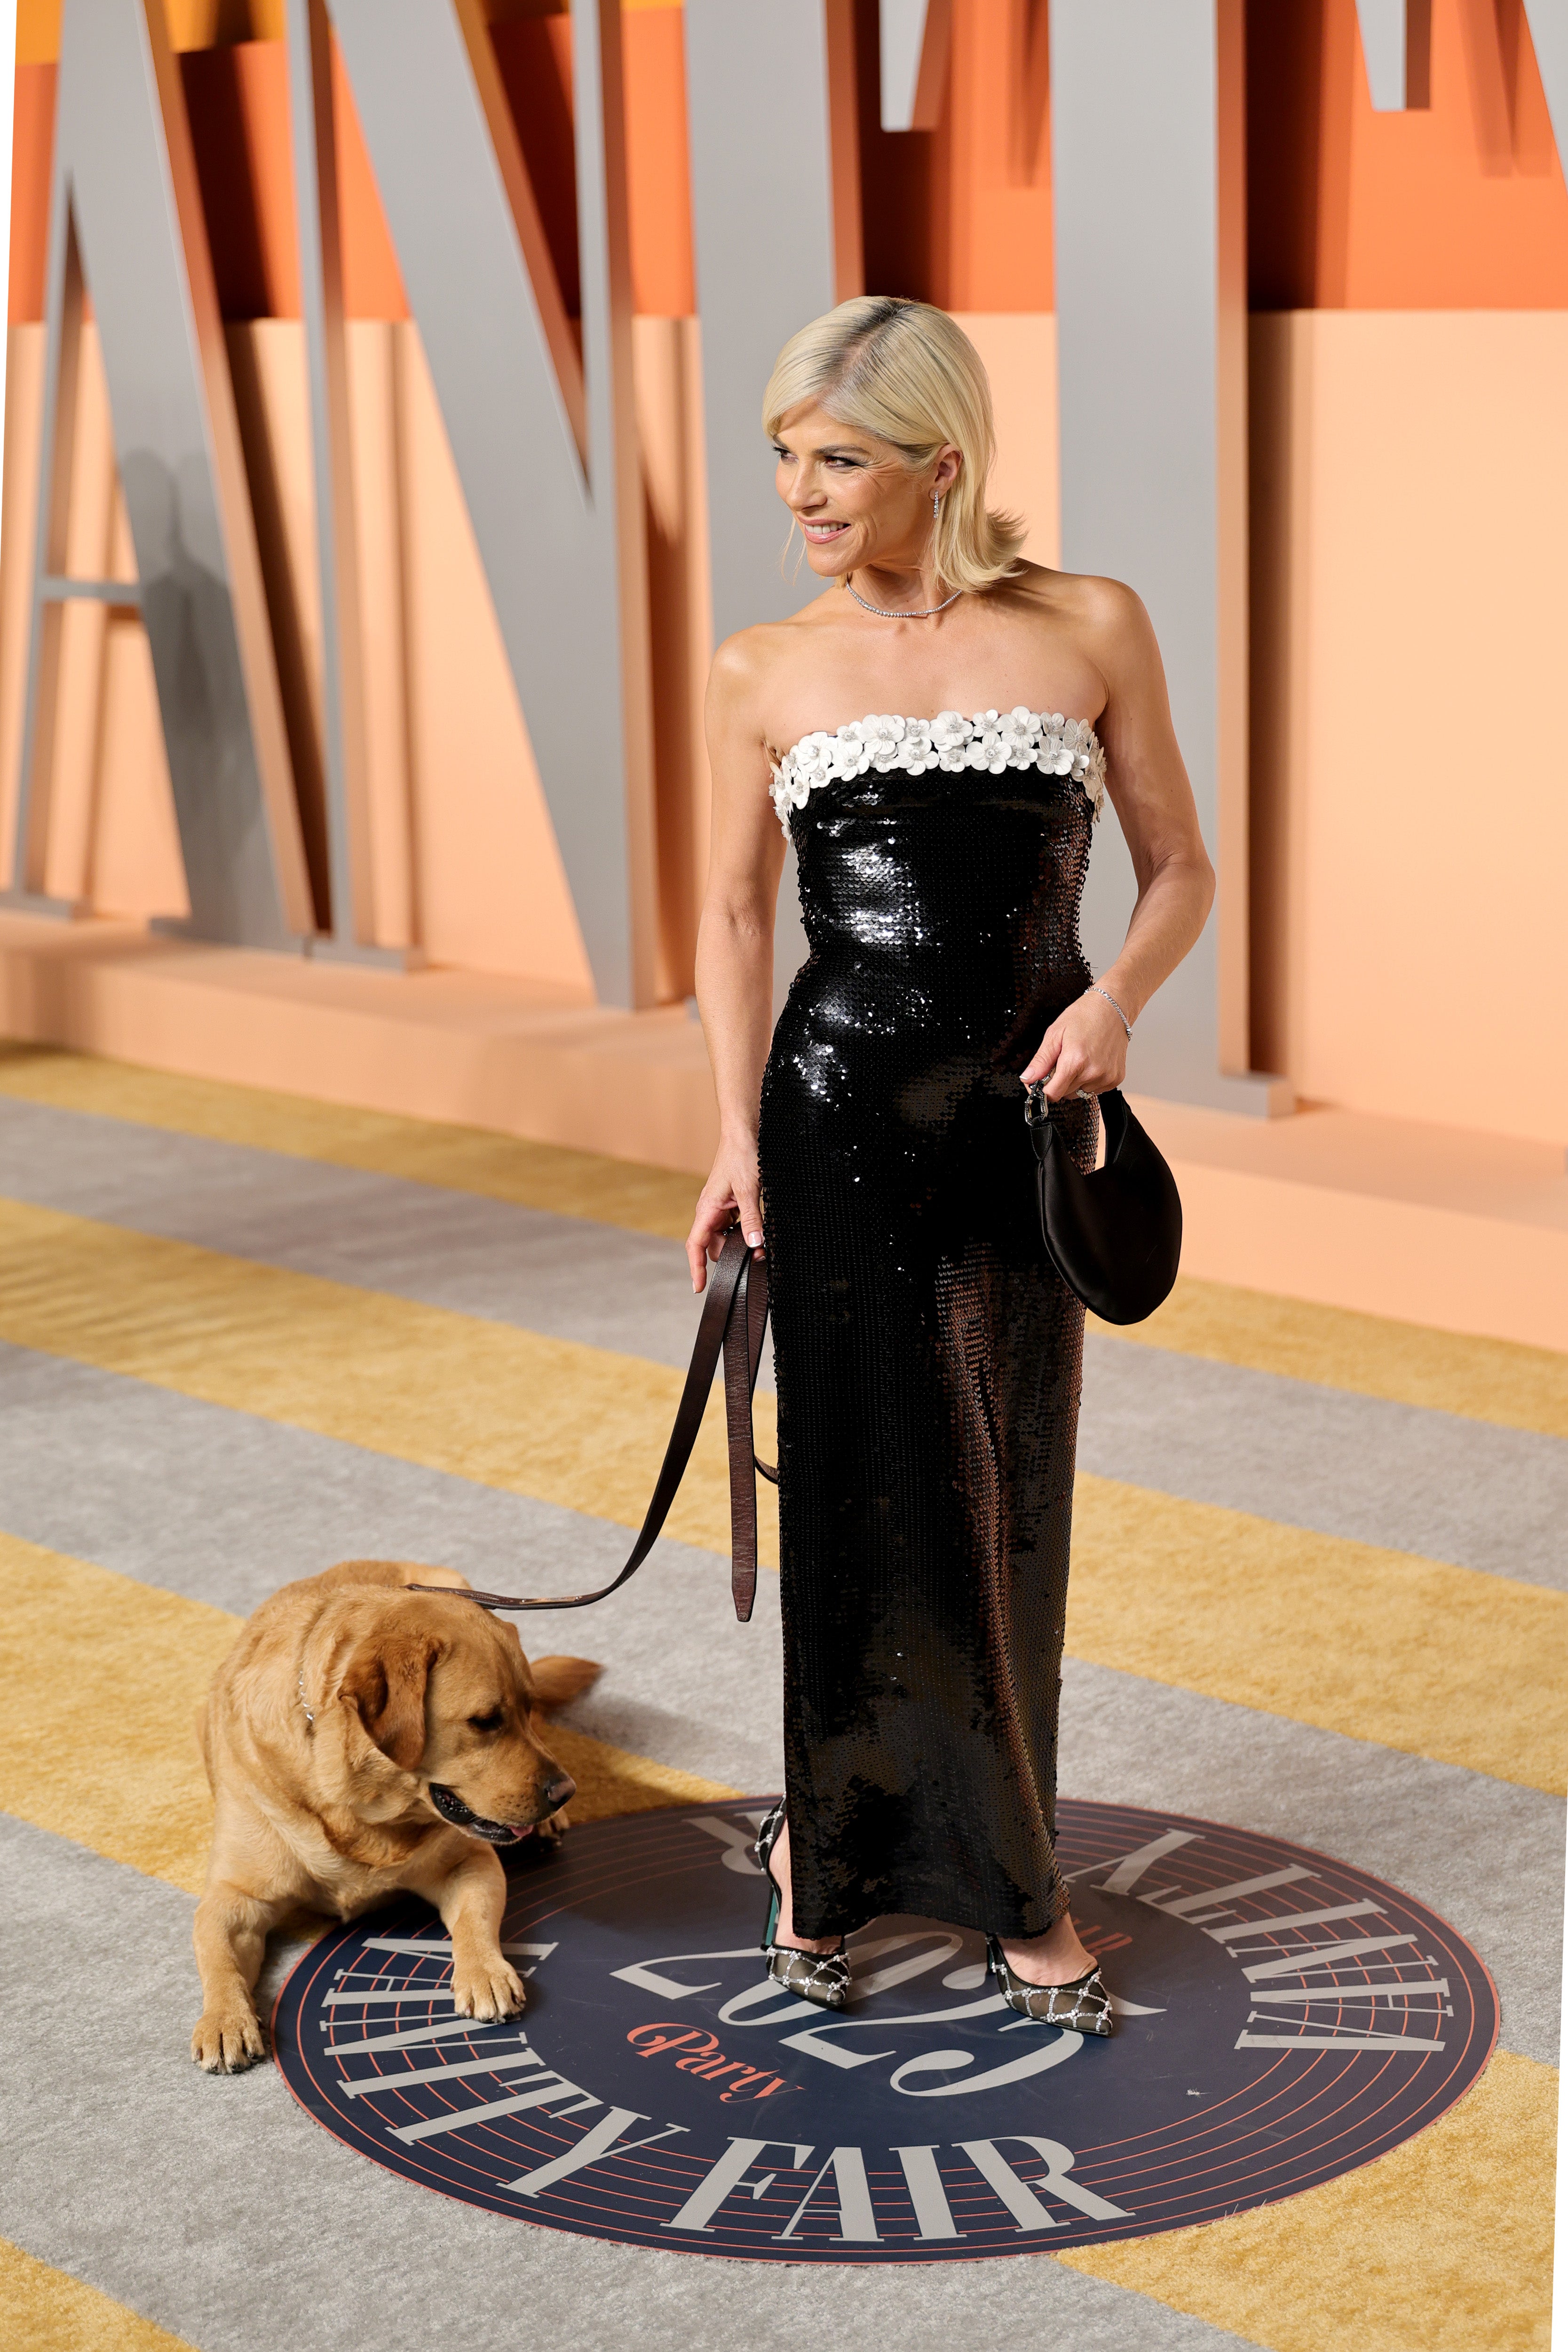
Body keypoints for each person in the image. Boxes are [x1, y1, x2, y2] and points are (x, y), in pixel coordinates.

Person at [685, 297, 1214, 2029]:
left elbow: (1183, 868)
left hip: (1024, 1133)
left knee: (1002, 1496)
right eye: (788, 458)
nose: (801, 496)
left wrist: (1120, 1003)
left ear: (943, 463)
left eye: (836, 460)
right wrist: (730, 1139)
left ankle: (977, 1850)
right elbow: (731, 923)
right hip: (835, 1122)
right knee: (857, 1488)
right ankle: (854, 1863)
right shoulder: (764, 667)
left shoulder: (1089, 624)